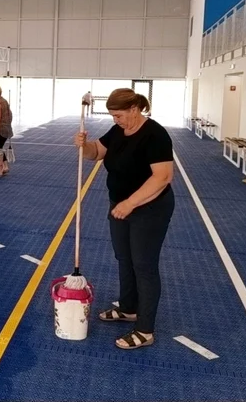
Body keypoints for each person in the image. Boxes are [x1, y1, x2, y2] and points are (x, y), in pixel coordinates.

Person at [73, 88, 174, 350]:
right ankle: (129, 308)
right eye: (112, 116)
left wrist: (130, 203)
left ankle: (145, 330)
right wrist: (84, 145)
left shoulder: (155, 135)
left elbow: (162, 177)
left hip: (149, 208)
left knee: (144, 265)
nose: (115, 120)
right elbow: (97, 152)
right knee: (124, 258)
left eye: (118, 115)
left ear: (134, 109)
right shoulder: (118, 130)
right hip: (120, 205)